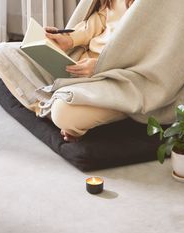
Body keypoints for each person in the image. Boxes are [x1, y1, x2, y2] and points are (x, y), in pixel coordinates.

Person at [44, 0, 135, 142]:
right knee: (4, 53)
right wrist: (68, 40)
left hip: (115, 77)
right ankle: (51, 104)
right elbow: (99, 20)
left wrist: (100, 66)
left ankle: (53, 106)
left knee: (62, 113)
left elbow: (146, 54)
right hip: (82, 62)